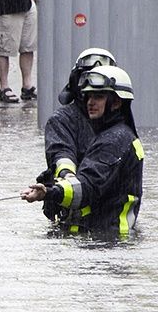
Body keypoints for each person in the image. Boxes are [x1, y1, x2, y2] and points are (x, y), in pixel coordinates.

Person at [22, 65, 144, 239]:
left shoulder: (115, 140)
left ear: (117, 102)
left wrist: (49, 193)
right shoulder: (115, 135)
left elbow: (87, 188)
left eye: (99, 96)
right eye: (89, 96)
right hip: (100, 238)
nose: (90, 102)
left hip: (107, 242)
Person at [41, 47, 115, 184]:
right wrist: (68, 175)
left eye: (100, 92)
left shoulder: (121, 125)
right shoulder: (61, 120)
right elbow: (60, 152)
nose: (92, 95)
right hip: (69, 198)